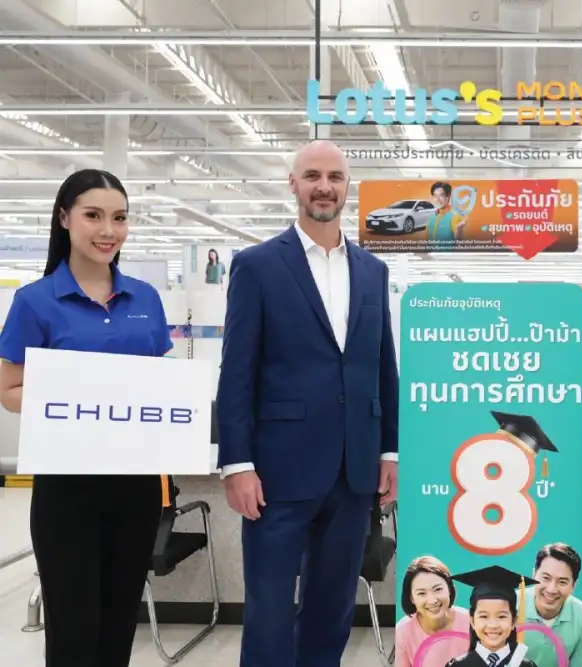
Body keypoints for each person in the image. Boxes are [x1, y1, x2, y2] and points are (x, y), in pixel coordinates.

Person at [216, 139, 400, 667]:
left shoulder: (372, 270)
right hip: (277, 471)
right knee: (270, 609)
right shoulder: (257, 266)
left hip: (353, 470)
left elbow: (381, 366)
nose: (324, 187)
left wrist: (389, 450)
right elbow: (237, 371)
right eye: (313, 176)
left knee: (332, 608)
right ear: (293, 183)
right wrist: (237, 463)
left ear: (348, 187)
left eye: (335, 177)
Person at [0, 169, 172, 667]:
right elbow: (9, 391)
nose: (108, 231)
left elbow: (158, 388)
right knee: (74, 632)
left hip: (136, 486)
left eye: (119, 218)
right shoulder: (34, 301)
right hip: (67, 489)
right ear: (64, 219)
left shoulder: (146, 299)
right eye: (93, 215)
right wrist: (78, 393)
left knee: (118, 628)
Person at [446, 566, 540, 667]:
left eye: (501, 616)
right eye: (484, 616)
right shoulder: (457, 665)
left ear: (513, 621)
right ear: (472, 621)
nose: (493, 625)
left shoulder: (526, 666)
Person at [522, 544, 582, 667]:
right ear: (533, 575)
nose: (551, 589)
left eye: (562, 582)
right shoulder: (506, 606)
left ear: (574, 585)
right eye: (546, 578)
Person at [396, 556, 471, 667]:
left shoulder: (472, 623)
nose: (432, 600)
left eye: (438, 589)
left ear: (449, 589)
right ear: (412, 598)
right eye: (422, 593)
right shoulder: (402, 632)